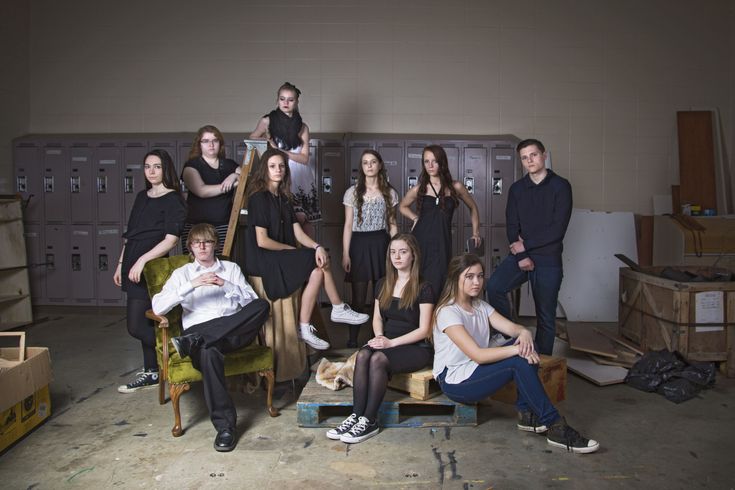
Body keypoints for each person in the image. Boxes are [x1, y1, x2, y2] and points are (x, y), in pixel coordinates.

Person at [433, 254, 599, 454]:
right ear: (455, 278)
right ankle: (556, 426)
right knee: (517, 361)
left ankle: (527, 414)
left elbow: (514, 328)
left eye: (480, 275)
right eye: (469, 276)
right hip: (455, 380)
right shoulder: (448, 312)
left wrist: (524, 333)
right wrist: (516, 349)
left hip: (476, 369)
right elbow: (478, 355)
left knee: (528, 343)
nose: (477, 282)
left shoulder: (480, 306)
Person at [151, 224, 270, 452]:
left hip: (233, 334)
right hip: (200, 330)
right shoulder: (182, 274)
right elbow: (158, 306)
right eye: (197, 243)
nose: (203, 247)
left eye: (207, 242)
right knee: (208, 351)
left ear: (215, 244)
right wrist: (191, 285)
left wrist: (225, 284)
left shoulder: (231, 269)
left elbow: (251, 303)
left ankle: (197, 339)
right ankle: (225, 428)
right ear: (191, 248)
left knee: (262, 305)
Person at [244, 148, 369, 351]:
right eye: (273, 166)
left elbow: (298, 233)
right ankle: (337, 307)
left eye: (282, 166)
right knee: (314, 259)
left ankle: (305, 326)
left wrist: (317, 245)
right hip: (263, 259)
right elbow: (262, 241)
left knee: (319, 266)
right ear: (264, 170)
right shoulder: (259, 198)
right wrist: (292, 251)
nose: (278, 170)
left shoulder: (284, 198)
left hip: (279, 256)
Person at [327, 234, 434, 444]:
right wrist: (379, 337)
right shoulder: (383, 283)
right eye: (393, 252)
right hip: (387, 339)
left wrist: (391, 344)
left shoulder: (424, 287)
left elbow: (424, 330)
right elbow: (377, 317)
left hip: (415, 346)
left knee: (378, 359)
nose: (397, 257)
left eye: (403, 252)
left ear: (413, 255)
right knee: (364, 353)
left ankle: (370, 420)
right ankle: (356, 415)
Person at [485, 138, 572, 355]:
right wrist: (521, 253)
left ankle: (540, 362)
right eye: (524, 157)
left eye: (533, 155)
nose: (529, 160)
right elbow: (512, 223)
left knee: (545, 315)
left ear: (544, 155)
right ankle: (512, 334)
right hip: (520, 255)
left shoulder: (561, 186)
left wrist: (526, 246)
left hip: (548, 259)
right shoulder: (517, 189)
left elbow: (557, 230)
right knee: (494, 287)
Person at [114, 149, 186, 393]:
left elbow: (171, 240)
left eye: (157, 166)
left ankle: (175, 350)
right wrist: (121, 263)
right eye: (147, 167)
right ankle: (152, 371)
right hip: (133, 262)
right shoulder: (141, 197)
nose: (152, 171)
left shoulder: (174, 199)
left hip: (150, 266)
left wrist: (142, 261)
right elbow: (131, 233)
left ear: (166, 169)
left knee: (136, 326)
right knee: (144, 320)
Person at [399, 144, 481, 297]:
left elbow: (473, 208)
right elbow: (402, 206)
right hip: (420, 240)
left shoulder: (456, 187)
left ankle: (436, 318)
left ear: (442, 162)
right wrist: (415, 217)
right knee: (418, 280)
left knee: (439, 280)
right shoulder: (419, 189)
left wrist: (476, 233)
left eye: (434, 161)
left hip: (442, 241)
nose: (430, 165)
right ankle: (418, 318)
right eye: (426, 161)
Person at [342, 149, 399, 347]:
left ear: (379, 165)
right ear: (362, 167)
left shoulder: (389, 193)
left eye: (373, 162)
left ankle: (383, 336)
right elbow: (348, 225)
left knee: (382, 294)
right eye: (365, 162)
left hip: (380, 243)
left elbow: (392, 224)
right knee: (358, 297)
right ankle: (352, 340)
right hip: (358, 245)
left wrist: (397, 249)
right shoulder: (352, 192)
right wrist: (345, 254)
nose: (369, 166)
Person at [250, 82, 320, 236]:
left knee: (305, 220)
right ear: (277, 101)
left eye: (290, 100)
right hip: (279, 172)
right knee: (283, 219)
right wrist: (269, 155)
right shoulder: (267, 121)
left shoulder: (303, 127)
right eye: (282, 99)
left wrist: (280, 152)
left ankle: (311, 256)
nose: (286, 103)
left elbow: (304, 159)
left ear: (296, 102)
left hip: (300, 176)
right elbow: (253, 139)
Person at [181, 125, 241, 254]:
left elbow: (247, 179)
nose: (211, 144)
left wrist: (234, 176)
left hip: (223, 225)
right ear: (199, 144)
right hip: (196, 227)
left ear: (220, 143)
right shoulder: (191, 165)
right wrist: (229, 185)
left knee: (221, 265)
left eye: (215, 140)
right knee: (195, 267)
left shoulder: (230, 165)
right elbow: (202, 191)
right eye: (206, 141)